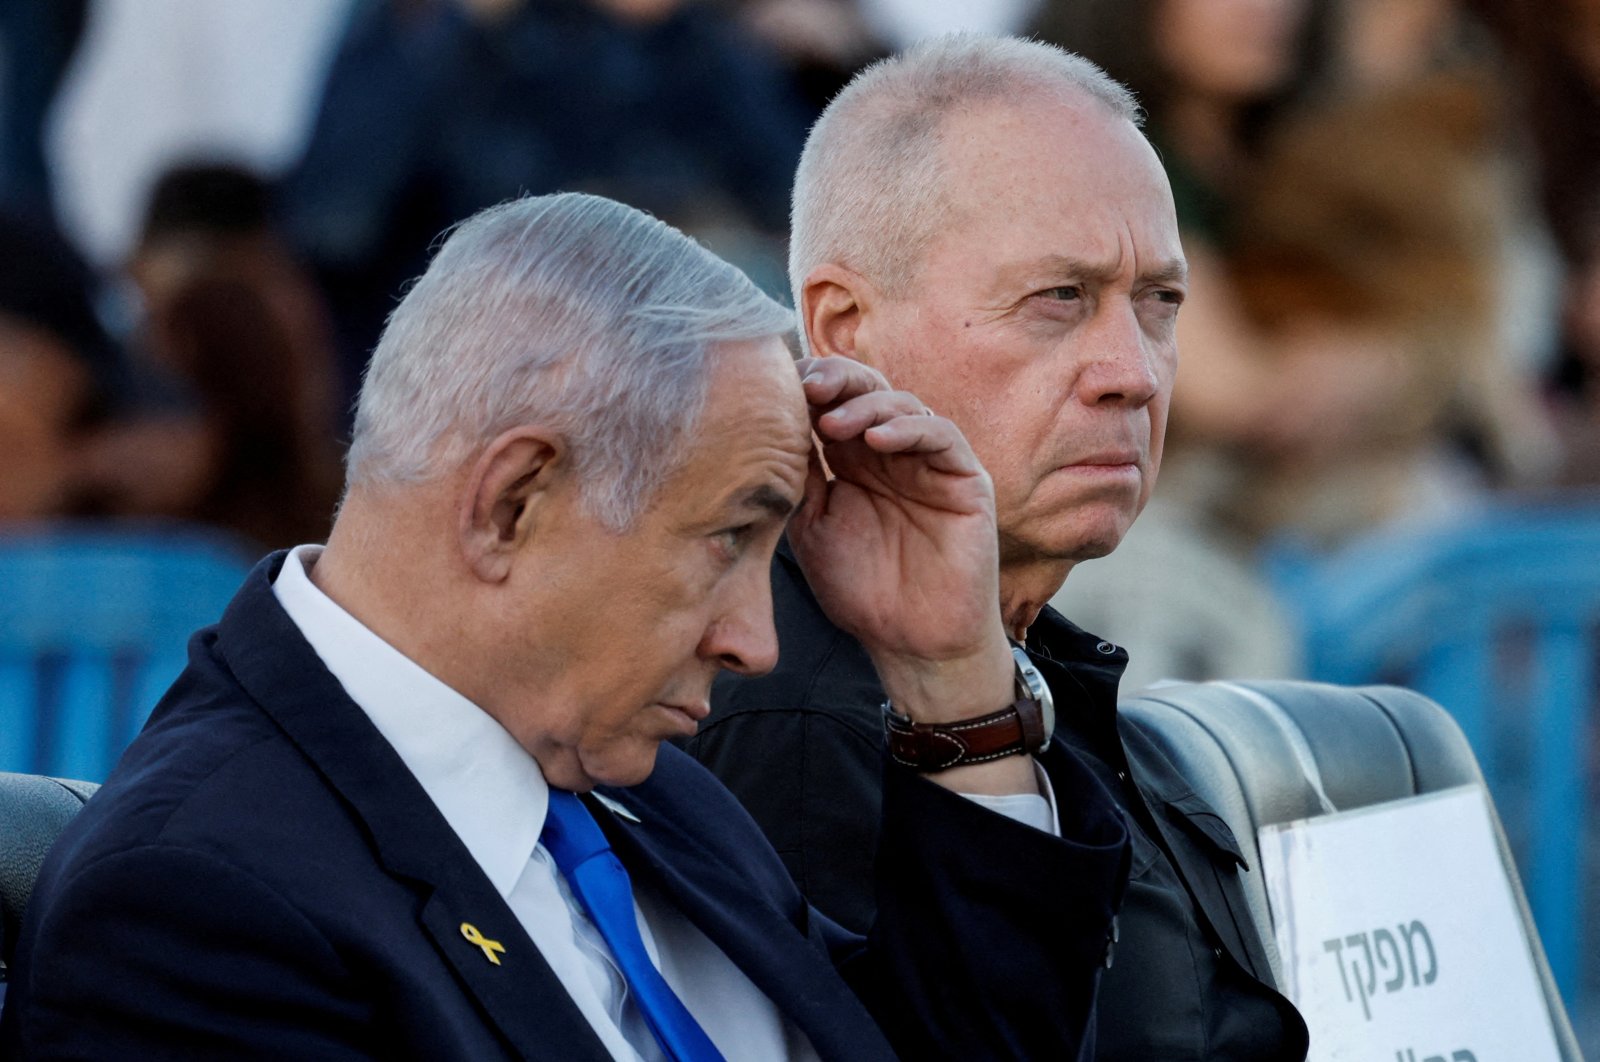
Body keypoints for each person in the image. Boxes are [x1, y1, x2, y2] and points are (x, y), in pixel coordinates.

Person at [0, 192, 1130, 1060]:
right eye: (728, 538)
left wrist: (949, 671)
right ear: (511, 504)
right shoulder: (194, 900)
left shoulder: (654, 796)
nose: (756, 640)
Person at [684, 36, 1311, 1060]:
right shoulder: (786, 698)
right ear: (843, 330)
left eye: (1159, 302)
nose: (1135, 374)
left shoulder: (1017, 632)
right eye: (1057, 299)